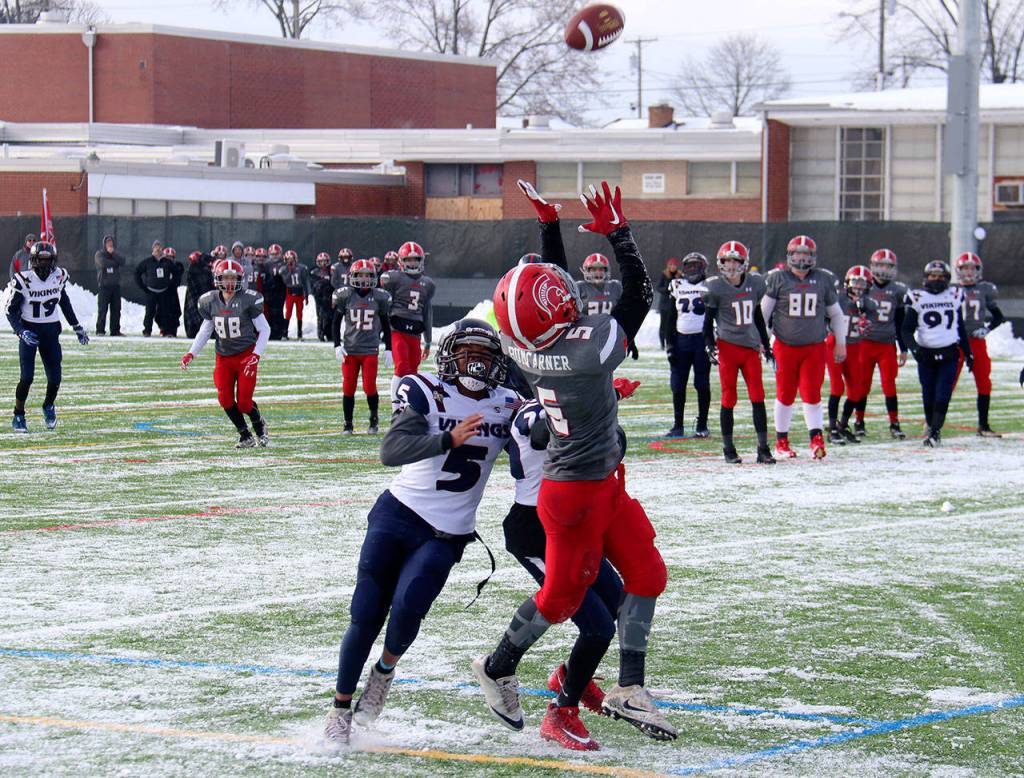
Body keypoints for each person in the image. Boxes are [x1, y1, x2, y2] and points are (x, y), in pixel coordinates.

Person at [476, 180, 676, 743]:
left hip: (603, 482)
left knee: (647, 574)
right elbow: (637, 296)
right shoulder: (587, 351)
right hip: (574, 496)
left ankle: (629, 687)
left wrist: (549, 228)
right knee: (561, 599)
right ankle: (500, 670)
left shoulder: (526, 344)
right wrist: (619, 235)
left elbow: (550, 290)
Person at [323, 319, 517, 746]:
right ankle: (340, 709)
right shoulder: (425, 390)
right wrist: (446, 439)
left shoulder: (508, 404)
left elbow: (539, 440)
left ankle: (384, 673)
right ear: (450, 356)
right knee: (366, 612)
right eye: (469, 354)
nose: (477, 364)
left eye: (485, 356)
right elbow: (391, 451)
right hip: (398, 515)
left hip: (447, 532)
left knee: (410, 605)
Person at [501, 377, 640, 750]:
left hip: (573, 522)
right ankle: (559, 712)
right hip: (537, 531)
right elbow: (547, 432)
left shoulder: (571, 409)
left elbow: (614, 448)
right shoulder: (533, 414)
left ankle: (569, 678)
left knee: (616, 604)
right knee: (595, 627)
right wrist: (600, 402)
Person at [761, 235, 846, 460]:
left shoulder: (823, 279)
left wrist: (841, 342)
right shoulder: (777, 278)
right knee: (785, 393)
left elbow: (836, 314)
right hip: (785, 346)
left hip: (814, 347)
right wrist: (761, 341)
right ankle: (781, 441)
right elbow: (763, 313)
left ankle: (816, 438)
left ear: (813, 257)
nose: (801, 257)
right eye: (797, 253)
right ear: (789, 256)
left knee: (812, 392)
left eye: (806, 253)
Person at [180, 258, 271, 448]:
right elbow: (205, 330)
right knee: (225, 399)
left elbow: (265, 329)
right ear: (218, 279)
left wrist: (256, 355)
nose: (229, 282)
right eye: (225, 278)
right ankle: (245, 435)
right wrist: (191, 353)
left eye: (233, 278)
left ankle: (260, 427)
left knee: (244, 403)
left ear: (239, 279)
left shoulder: (248, 299)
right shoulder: (210, 301)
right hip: (223, 357)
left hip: (246, 355)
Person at [702, 241, 775, 464]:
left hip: (750, 348)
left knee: (758, 396)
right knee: (728, 397)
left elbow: (759, 317)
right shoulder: (714, 286)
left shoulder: (755, 283)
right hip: (728, 347)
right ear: (720, 262)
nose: (731, 265)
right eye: (727, 260)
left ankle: (763, 448)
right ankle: (728, 448)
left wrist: (766, 344)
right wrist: (710, 345)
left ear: (744, 263)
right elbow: (708, 320)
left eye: (736, 260)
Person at [5, 242, 89, 432]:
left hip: (50, 332)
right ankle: (18, 414)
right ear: (33, 261)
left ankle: (48, 405)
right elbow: (10, 311)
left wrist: (76, 325)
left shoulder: (58, 277)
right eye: (41, 260)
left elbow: (64, 302)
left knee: (55, 379)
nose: (44, 264)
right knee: (26, 378)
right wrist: (21, 330)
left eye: (47, 260)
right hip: (30, 330)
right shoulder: (23, 279)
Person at [901, 261, 972, 447]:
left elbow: (960, 328)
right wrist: (914, 349)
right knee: (928, 394)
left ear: (947, 279)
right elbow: (906, 329)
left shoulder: (954, 295)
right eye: (933, 276)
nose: (936, 279)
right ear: (926, 278)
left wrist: (968, 352)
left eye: (940, 276)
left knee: (943, 393)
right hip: (926, 353)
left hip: (949, 352)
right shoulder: (918, 297)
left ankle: (935, 432)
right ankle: (932, 426)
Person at [332, 259, 393, 434]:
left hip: (369, 350)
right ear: (353, 276)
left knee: (369, 386)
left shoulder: (379, 297)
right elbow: (335, 323)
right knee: (348, 387)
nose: (365, 278)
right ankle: (348, 423)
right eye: (361, 275)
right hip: (350, 349)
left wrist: (388, 348)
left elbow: (386, 325)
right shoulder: (346, 295)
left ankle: (373, 419)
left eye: (368, 275)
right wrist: (337, 345)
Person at [953, 252, 1006, 437]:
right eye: (965, 268)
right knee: (948, 383)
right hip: (956, 343)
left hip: (976, 341)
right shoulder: (951, 290)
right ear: (958, 271)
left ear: (978, 270)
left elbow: (999, 317)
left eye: (972, 268)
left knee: (984, 383)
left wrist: (987, 328)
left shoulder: (985, 289)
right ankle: (933, 424)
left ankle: (983, 426)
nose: (969, 272)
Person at [860, 248, 910, 439]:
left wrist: (903, 348)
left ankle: (894, 423)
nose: (884, 269)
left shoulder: (897, 290)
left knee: (889, 384)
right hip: (865, 343)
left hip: (887, 345)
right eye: (880, 265)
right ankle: (859, 421)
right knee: (862, 385)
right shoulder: (863, 286)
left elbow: (900, 322)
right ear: (872, 266)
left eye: (888, 266)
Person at [380, 241, 436, 410]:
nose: (412, 263)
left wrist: (428, 340)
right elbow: (384, 305)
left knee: (412, 370)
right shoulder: (393, 278)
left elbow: (427, 313)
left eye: (415, 259)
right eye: (409, 259)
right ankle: (396, 407)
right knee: (402, 366)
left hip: (415, 333)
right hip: (397, 330)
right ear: (401, 261)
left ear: (421, 261)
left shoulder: (427, 283)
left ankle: (409, 405)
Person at [826, 266, 877, 444]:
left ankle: (843, 425)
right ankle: (832, 427)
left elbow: (869, 327)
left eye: (862, 283)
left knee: (856, 390)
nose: (858, 287)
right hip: (835, 345)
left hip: (855, 347)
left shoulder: (870, 304)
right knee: (837, 387)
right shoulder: (837, 299)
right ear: (847, 282)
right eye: (855, 282)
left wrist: (866, 321)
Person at [665, 252, 711, 438]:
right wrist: (669, 344)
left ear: (703, 268)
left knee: (701, 384)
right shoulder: (677, 285)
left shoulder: (710, 285)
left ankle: (702, 424)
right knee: (677, 385)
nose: (692, 269)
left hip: (701, 340)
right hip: (681, 341)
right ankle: (678, 425)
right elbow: (670, 317)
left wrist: (712, 341)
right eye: (689, 266)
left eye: (696, 266)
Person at [135, 240, 167, 336]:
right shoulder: (147, 262)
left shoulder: (166, 262)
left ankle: (164, 330)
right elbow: (137, 273)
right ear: (153, 249)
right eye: (156, 247)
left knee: (164, 313)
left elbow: (176, 272)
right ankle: (147, 331)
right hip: (151, 292)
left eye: (159, 247)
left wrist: (171, 283)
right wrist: (143, 287)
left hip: (164, 292)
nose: (158, 249)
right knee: (149, 312)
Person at [94, 234, 125, 336]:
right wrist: (114, 262)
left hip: (115, 286)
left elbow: (122, 261)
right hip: (104, 286)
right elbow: (103, 263)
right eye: (108, 242)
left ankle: (115, 331)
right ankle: (100, 330)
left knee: (116, 310)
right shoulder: (99, 254)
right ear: (104, 244)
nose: (110, 244)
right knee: (103, 309)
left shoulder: (116, 254)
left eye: (111, 242)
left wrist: (114, 255)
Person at [183, 250, 215, 339]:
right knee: (199, 315)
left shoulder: (206, 268)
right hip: (198, 295)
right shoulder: (195, 269)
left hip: (204, 295)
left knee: (205, 316)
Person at [282, 250, 311, 340]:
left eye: (292, 259)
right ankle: (285, 333)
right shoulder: (284, 269)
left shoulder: (301, 268)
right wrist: (290, 271)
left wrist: (306, 295)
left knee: (299, 314)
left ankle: (299, 334)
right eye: (288, 259)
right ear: (286, 260)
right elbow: (285, 281)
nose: (290, 261)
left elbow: (304, 282)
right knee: (288, 313)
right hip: (290, 293)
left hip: (299, 293)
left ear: (295, 259)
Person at [264, 244, 288, 340]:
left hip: (279, 292)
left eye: (276, 254)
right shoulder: (266, 264)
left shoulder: (283, 264)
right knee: (269, 313)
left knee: (279, 313)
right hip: (269, 292)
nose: (274, 256)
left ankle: (279, 332)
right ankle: (272, 332)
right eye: (272, 254)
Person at [655, 257, 679, 350]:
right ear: (668, 266)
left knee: (674, 325)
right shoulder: (664, 275)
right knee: (663, 325)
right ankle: (662, 344)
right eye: (671, 265)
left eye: (674, 265)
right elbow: (658, 287)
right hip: (665, 305)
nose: (673, 267)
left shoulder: (679, 275)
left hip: (675, 305)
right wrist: (667, 289)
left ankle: (673, 343)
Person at [312, 252, 335, 342]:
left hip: (329, 296)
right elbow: (314, 285)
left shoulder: (332, 271)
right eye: (321, 261)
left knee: (331, 316)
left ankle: (330, 334)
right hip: (319, 297)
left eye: (325, 261)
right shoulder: (314, 271)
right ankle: (321, 334)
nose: (323, 263)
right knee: (320, 316)